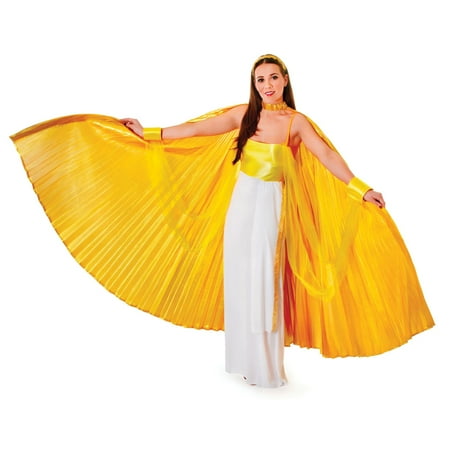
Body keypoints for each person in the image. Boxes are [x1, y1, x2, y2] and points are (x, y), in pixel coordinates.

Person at [10, 54, 434, 388]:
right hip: (242, 205)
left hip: (271, 206)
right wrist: (148, 132)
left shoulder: (296, 122)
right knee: (242, 278)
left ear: (285, 80)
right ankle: (244, 362)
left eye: (273, 77)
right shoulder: (243, 115)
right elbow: (195, 130)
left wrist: (361, 188)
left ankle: (267, 368)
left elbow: (326, 155)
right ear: (254, 84)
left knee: (265, 280)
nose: (267, 85)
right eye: (260, 79)